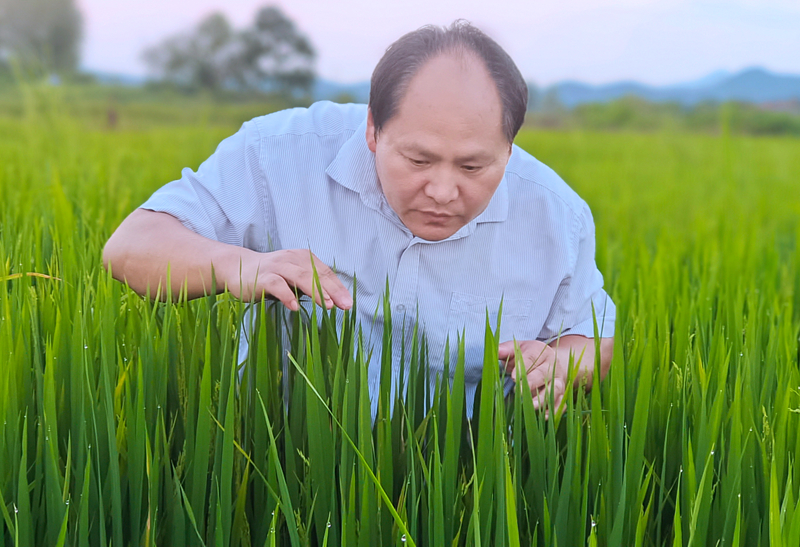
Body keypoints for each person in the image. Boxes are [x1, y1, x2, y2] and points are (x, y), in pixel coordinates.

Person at [103, 21, 615, 417]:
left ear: (509, 147)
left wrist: (563, 364)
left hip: (463, 484)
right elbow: (130, 245)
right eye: (417, 160)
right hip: (285, 464)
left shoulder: (554, 213)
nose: (442, 190)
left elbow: (593, 335)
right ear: (373, 129)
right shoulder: (278, 154)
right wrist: (233, 264)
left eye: (473, 166)